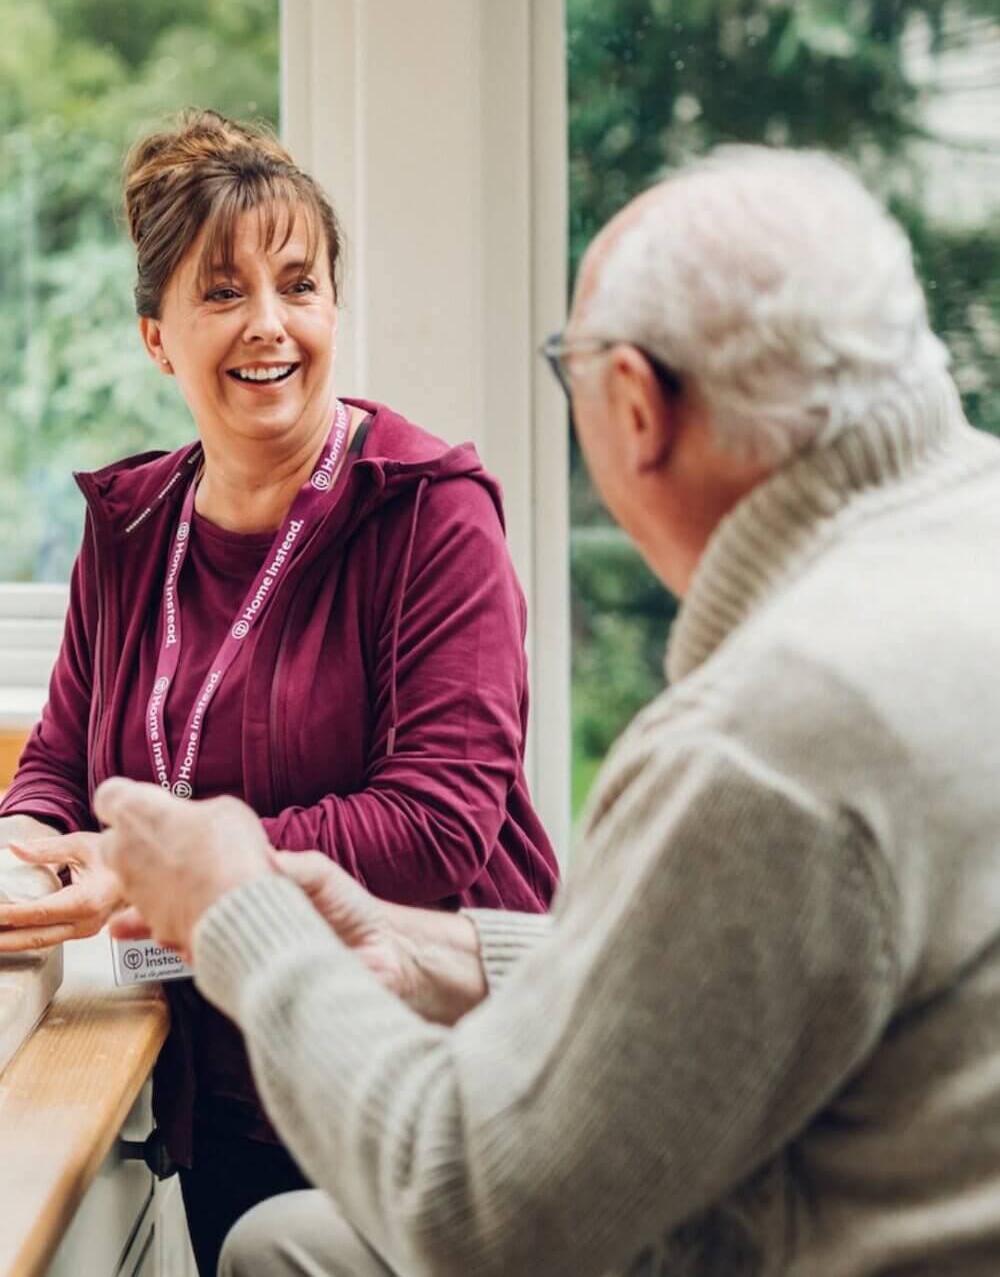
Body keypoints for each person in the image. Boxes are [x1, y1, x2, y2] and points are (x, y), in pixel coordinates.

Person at [88, 143, 1000, 1277]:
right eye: (221, 291)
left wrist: (240, 910)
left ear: (632, 404)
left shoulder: (770, 741)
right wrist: (455, 950)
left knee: (280, 1251)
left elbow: (477, 1207)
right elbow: (731, 980)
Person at [0, 111, 558, 1277]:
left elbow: (435, 828)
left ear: (332, 311)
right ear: (159, 337)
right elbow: (60, 752)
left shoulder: (429, 514)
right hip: (221, 1076)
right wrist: (30, 842)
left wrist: (162, 866)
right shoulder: (131, 526)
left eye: (298, 284)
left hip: (422, 1072)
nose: (269, 322)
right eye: (223, 291)